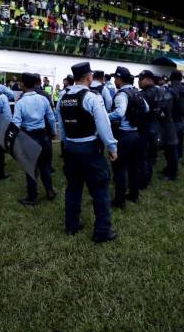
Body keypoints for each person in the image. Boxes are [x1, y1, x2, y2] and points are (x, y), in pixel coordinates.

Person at [57, 62, 118, 243]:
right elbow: (103, 125)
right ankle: (102, 231)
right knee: (99, 189)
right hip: (90, 150)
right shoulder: (92, 97)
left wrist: (67, 144)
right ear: (89, 77)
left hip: (71, 149)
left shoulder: (63, 96)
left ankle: (71, 225)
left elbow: (60, 125)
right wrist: (112, 147)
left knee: (73, 188)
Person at [13, 73, 57, 205]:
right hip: (43, 136)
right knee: (45, 166)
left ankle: (32, 197)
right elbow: (51, 117)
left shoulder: (20, 103)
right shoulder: (43, 99)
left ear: (23, 85)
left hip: (29, 137)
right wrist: (54, 132)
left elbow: (16, 123)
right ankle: (49, 191)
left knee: (31, 168)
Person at [109, 66, 148, 207]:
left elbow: (119, 113)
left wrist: (106, 116)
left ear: (119, 79)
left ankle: (119, 201)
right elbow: (147, 109)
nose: (114, 80)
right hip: (136, 134)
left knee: (119, 168)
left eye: (115, 78)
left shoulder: (121, 94)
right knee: (133, 167)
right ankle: (134, 195)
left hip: (124, 135)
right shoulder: (137, 92)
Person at [138, 70, 178, 183]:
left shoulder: (145, 94)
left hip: (152, 127)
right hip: (166, 125)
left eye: (141, 79)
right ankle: (170, 172)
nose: (138, 82)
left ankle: (145, 180)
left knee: (147, 155)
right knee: (169, 150)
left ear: (149, 80)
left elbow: (141, 113)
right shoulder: (165, 91)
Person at [167, 70, 184, 160]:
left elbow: (167, 105)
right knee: (180, 139)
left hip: (172, 119)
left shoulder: (170, 90)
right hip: (182, 119)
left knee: (171, 142)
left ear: (171, 78)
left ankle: (172, 160)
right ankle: (179, 155)